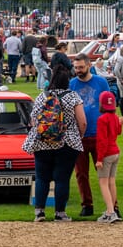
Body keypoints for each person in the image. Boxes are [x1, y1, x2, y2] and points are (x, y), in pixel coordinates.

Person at [22, 66, 86, 222]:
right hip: (67, 142)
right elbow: (82, 122)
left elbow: (33, 120)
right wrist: (80, 135)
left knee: (42, 178)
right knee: (62, 179)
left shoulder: (42, 96)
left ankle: (39, 212)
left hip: (42, 142)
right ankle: (60, 213)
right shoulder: (73, 97)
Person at [70, 53, 110, 217]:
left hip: (99, 134)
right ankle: (87, 204)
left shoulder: (101, 82)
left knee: (105, 173)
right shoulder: (72, 84)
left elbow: (108, 106)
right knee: (81, 173)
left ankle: (112, 205)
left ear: (89, 65)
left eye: (81, 67)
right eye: (76, 68)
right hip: (80, 135)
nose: (78, 70)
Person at [95, 91, 123, 223]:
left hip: (106, 154)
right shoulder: (115, 117)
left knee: (103, 183)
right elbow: (118, 131)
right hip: (115, 151)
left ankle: (110, 212)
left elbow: (102, 141)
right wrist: (120, 123)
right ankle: (112, 210)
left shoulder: (102, 119)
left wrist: (99, 159)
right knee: (112, 181)